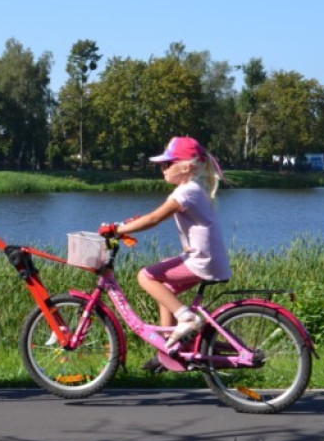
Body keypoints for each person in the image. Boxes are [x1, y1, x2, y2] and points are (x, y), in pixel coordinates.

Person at [99, 136, 231, 369]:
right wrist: (130, 225)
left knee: (145, 276)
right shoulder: (193, 189)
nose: (163, 169)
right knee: (165, 291)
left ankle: (187, 318)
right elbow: (152, 217)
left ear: (186, 167)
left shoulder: (185, 192)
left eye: (167, 164)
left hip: (202, 260)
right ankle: (169, 349)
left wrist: (118, 230)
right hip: (206, 258)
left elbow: (154, 218)